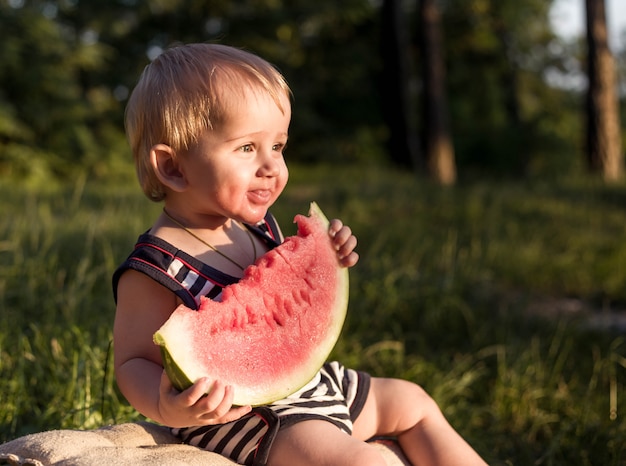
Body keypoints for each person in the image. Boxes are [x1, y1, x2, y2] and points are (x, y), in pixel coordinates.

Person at [112, 43, 487, 466]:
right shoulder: (154, 266)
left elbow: (288, 296)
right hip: (244, 417)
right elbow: (131, 363)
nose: (271, 166)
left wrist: (328, 254)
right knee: (366, 462)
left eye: (278, 146)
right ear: (174, 167)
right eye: (247, 149)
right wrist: (168, 408)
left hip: (315, 382)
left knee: (412, 401)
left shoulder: (257, 224)